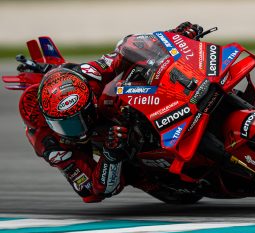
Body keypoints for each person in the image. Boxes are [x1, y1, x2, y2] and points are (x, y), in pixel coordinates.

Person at [18, 22, 203, 203]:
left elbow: (124, 51)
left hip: (105, 103)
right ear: (49, 122)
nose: (77, 129)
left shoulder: (89, 75)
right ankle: (148, 176)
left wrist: (173, 37)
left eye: (79, 120)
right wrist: (110, 154)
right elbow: (93, 190)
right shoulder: (51, 145)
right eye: (65, 125)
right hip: (103, 148)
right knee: (101, 188)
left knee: (136, 62)